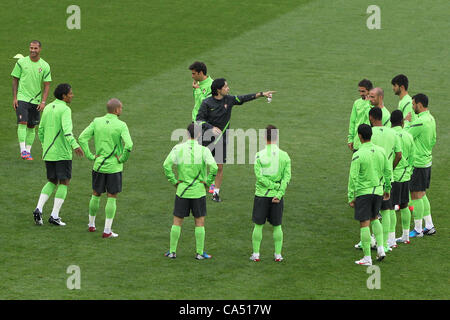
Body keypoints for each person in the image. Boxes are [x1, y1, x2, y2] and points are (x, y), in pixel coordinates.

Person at [196, 78, 275, 202]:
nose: (228, 88)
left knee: (219, 167)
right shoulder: (207, 103)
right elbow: (199, 119)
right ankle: (199, 188)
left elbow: (244, 98)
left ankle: (215, 193)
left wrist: (261, 94)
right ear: (218, 90)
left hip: (221, 140)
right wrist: (211, 127)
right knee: (201, 164)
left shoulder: (229, 100)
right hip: (206, 138)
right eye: (226, 87)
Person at [78, 98, 133, 238]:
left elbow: (82, 138)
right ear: (116, 110)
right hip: (114, 168)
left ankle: (91, 224)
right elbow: (129, 145)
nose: (122, 110)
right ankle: (107, 230)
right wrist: (122, 159)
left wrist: (90, 156)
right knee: (112, 196)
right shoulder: (121, 125)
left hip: (98, 166)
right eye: (121, 108)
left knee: (95, 194)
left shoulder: (96, 121)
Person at [163, 123, 218, 259]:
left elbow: (166, 165)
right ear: (199, 135)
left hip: (182, 191)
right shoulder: (204, 150)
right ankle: (199, 253)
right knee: (199, 222)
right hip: (198, 191)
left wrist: (174, 181)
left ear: (187, 134)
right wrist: (208, 182)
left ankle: (172, 251)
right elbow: (215, 168)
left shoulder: (178, 148)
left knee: (177, 221)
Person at [33, 83, 84, 226]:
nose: (72, 95)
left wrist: (45, 146)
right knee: (64, 182)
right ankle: (54, 215)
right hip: (62, 153)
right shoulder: (65, 109)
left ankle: (38, 208)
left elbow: (41, 130)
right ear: (64, 96)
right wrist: (75, 146)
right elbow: (67, 131)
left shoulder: (48, 107)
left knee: (51, 181)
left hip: (49, 153)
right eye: (70, 93)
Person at [348, 124, 392, 266]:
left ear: (360, 136)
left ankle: (367, 257)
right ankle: (381, 248)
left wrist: (351, 196)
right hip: (378, 191)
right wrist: (387, 188)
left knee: (364, 223)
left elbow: (353, 177)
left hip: (363, 192)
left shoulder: (358, 154)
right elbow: (387, 171)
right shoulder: (381, 151)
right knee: (375, 218)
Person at [250, 125, 291, 262]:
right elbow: (287, 177)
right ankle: (278, 255)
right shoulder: (285, 156)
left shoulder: (258, 155)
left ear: (264, 137)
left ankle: (256, 254)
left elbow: (259, 177)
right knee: (277, 226)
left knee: (258, 225)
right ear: (276, 137)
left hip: (261, 195)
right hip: (276, 197)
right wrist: (278, 192)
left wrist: (271, 186)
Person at [11, 40, 52, 160]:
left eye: (35, 48)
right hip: (22, 97)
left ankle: (28, 151)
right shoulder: (21, 62)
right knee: (22, 122)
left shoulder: (45, 65)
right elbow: (15, 79)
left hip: (36, 100)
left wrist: (43, 101)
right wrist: (15, 98)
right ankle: (23, 150)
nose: (32, 50)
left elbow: (47, 85)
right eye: (31, 48)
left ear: (40, 49)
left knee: (32, 126)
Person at [369, 107, 402, 251]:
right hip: (388, 177)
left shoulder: (370, 133)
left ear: (371, 118)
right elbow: (399, 155)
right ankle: (388, 243)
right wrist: (391, 167)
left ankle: (375, 241)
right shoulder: (392, 133)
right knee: (387, 210)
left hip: (373, 178)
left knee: (373, 213)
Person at [405, 94, 436, 237]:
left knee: (416, 195)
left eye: (413, 104)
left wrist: (406, 122)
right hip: (426, 160)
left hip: (417, 163)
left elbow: (406, 135)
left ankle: (418, 229)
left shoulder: (420, 121)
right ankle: (429, 225)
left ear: (419, 104)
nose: (412, 106)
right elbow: (434, 139)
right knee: (422, 193)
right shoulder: (431, 119)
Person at [389, 110, 415, 245]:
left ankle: (391, 240)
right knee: (404, 205)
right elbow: (413, 156)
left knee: (391, 207)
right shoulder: (408, 136)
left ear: (391, 122)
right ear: (402, 122)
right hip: (406, 175)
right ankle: (406, 236)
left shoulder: (390, 135)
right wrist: (408, 170)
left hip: (394, 176)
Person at [347, 79, 373, 152]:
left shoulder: (373, 103)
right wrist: (350, 139)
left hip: (369, 143)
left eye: (363, 91)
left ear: (369, 91)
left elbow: (370, 117)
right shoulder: (356, 103)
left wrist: (367, 103)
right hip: (357, 142)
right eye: (360, 91)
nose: (361, 94)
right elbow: (352, 122)